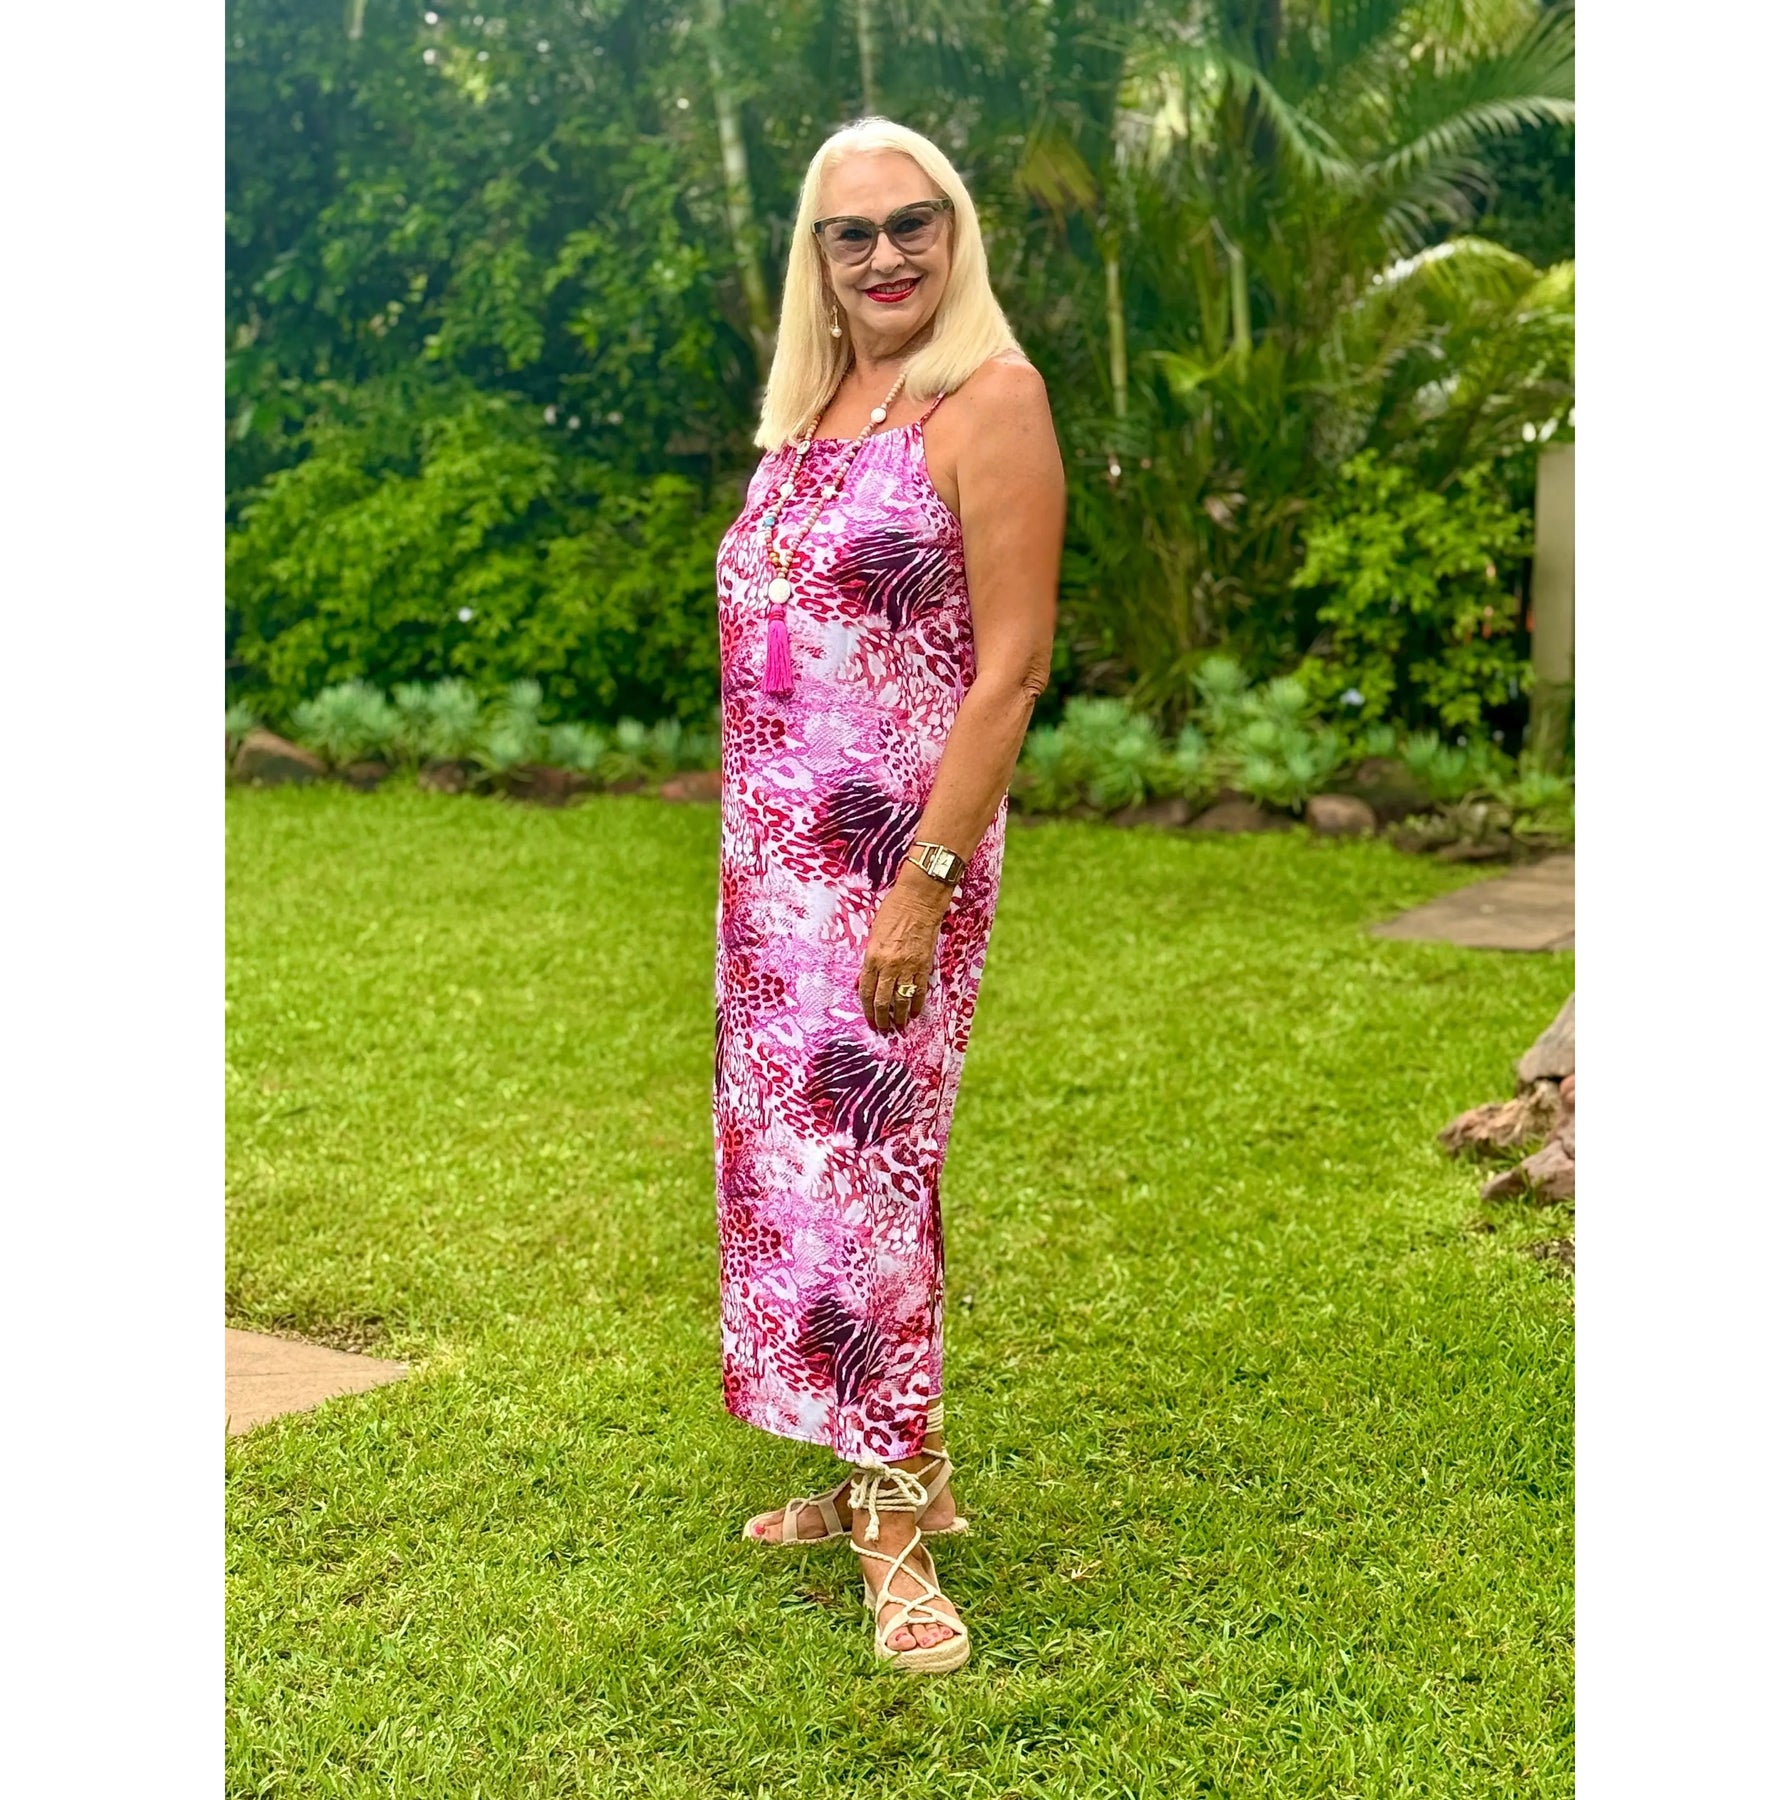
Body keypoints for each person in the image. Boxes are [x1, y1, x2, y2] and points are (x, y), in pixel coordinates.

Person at [712, 116, 1064, 1675]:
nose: (886, 255)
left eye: (914, 222)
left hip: (895, 866)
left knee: (868, 1165)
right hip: (771, 880)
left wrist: (922, 884)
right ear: (818, 257)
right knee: (805, 1176)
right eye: (852, 233)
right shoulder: (809, 410)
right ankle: (883, 1459)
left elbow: (1014, 668)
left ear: (955, 230)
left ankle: (897, 1527)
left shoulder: (993, 399)